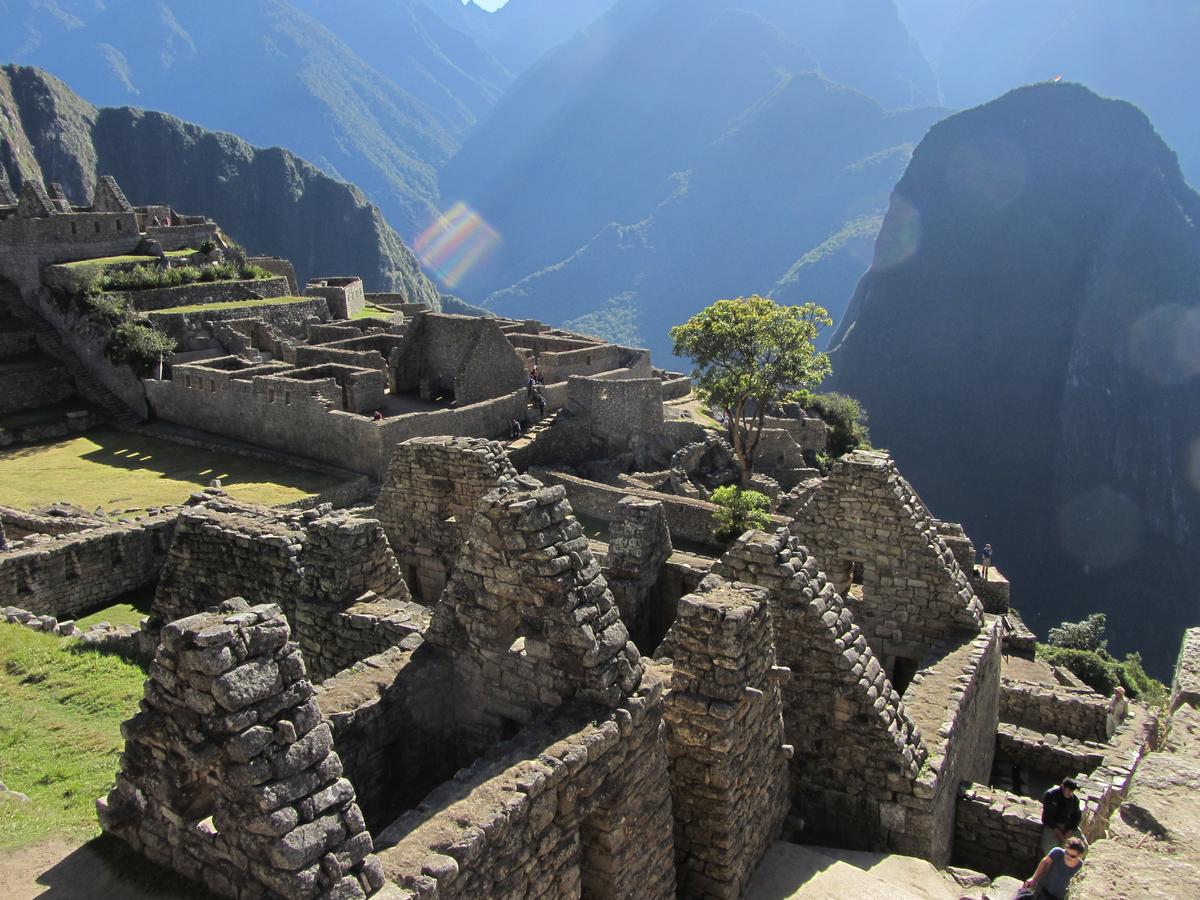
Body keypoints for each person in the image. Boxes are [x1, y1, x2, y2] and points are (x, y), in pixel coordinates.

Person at [1022, 836, 1086, 899]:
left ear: (1080, 855)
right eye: (1066, 852)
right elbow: (1044, 862)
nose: (1067, 856)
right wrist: (1034, 879)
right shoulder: (1057, 852)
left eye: (1072, 856)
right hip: (1043, 891)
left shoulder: (1081, 868)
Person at [1041, 778, 1083, 855]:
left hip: (1068, 825)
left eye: (1072, 791)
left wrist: (1070, 831)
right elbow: (1048, 816)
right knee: (1049, 849)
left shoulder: (1074, 799)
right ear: (1062, 787)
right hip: (1052, 825)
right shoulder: (1050, 795)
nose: (1070, 793)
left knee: (1082, 847)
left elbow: (1076, 816)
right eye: (1068, 790)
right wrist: (1059, 833)